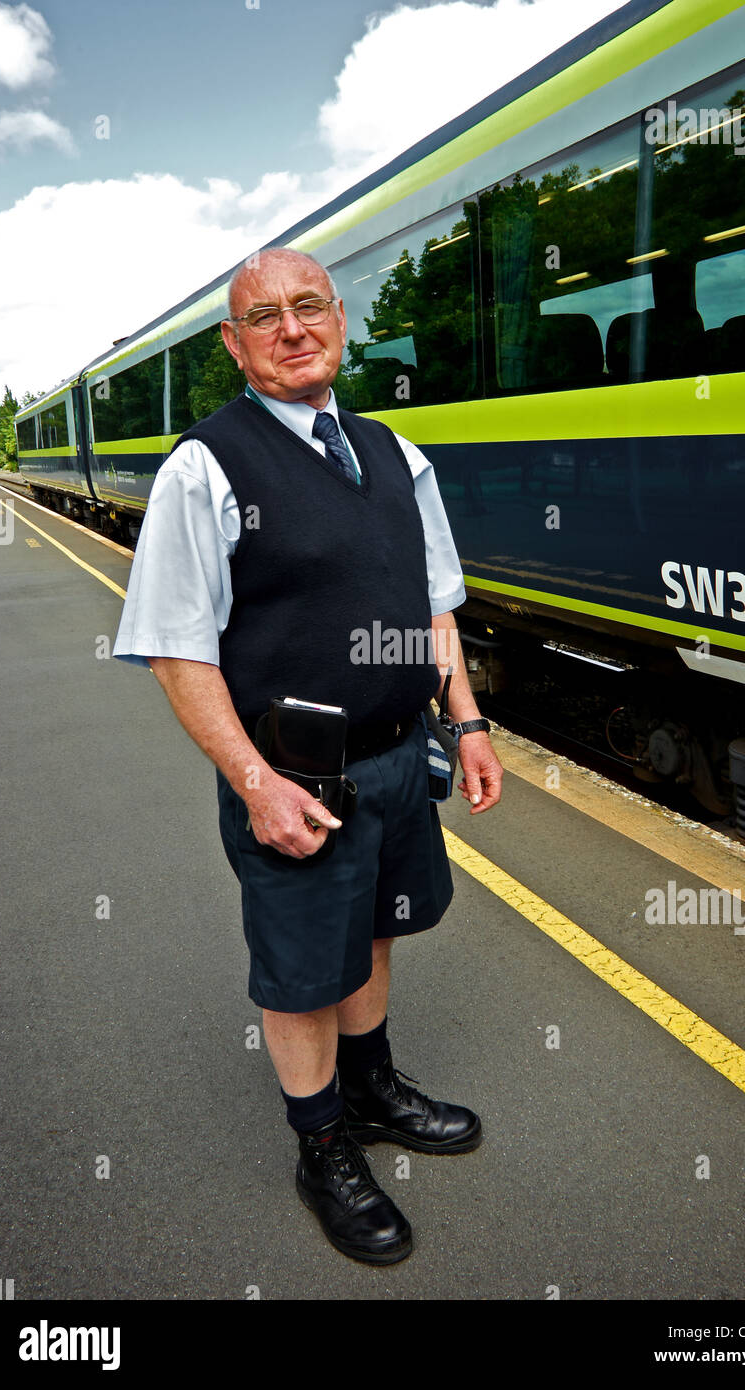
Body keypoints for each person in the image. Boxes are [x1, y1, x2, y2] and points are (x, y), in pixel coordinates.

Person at [114, 247, 503, 1265]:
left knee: (375, 928)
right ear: (236, 346)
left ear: (340, 320)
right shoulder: (205, 466)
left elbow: (434, 606)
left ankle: (371, 1088)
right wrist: (256, 782)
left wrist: (463, 719)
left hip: (396, 757)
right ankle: (321, 1144)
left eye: (309, 307)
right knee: (298, 972)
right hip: (295, 776)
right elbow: (175, 646)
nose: (292, 328)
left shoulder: (393, 451)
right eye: (265, 317)